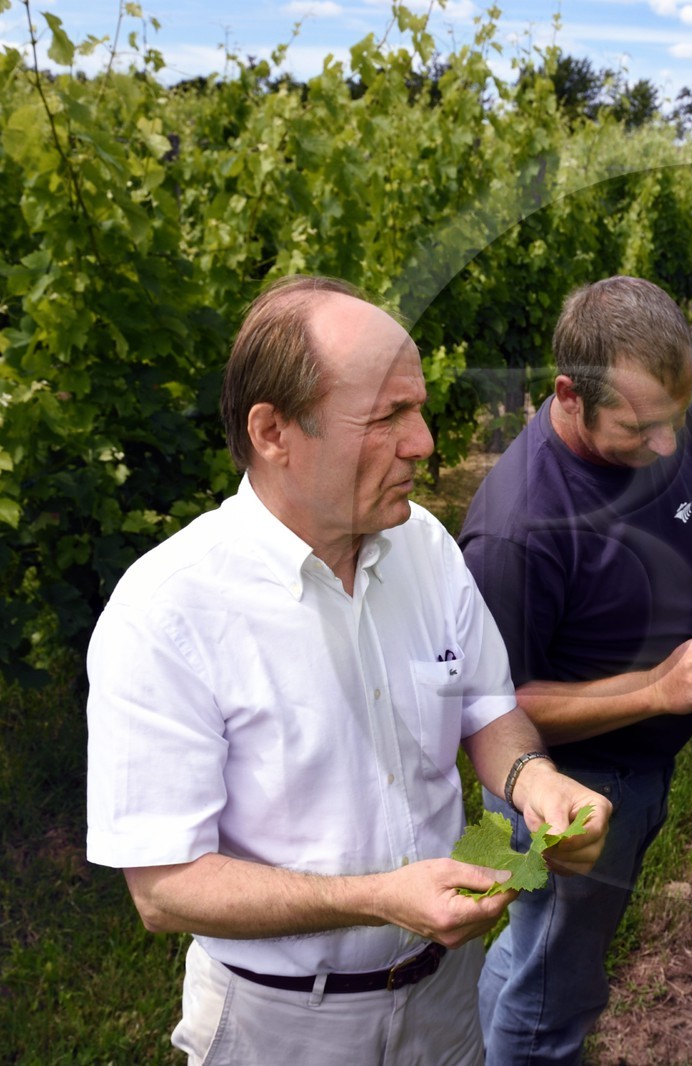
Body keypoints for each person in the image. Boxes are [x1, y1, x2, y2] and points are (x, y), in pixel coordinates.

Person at [86, 275, 610, 1066]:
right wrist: (373, 899)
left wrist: (534, 780)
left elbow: (485, 706)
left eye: (419, 409)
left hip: (446, 1000)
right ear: (274, 431)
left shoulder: (424, 547)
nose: (423, 442)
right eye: (386, 417)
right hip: (283, 1030)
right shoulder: (168, 611)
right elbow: (163, 888)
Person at [458, 275, 692, 1064]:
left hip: (639, 766)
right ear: (568, 396)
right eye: (638, 430)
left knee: (535, 952)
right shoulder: (518, 531)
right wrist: (658, 689)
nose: (667, 446)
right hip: (572, 787)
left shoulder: (668, 415)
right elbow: (495, 710)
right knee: (555, 998)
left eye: (677, 419)